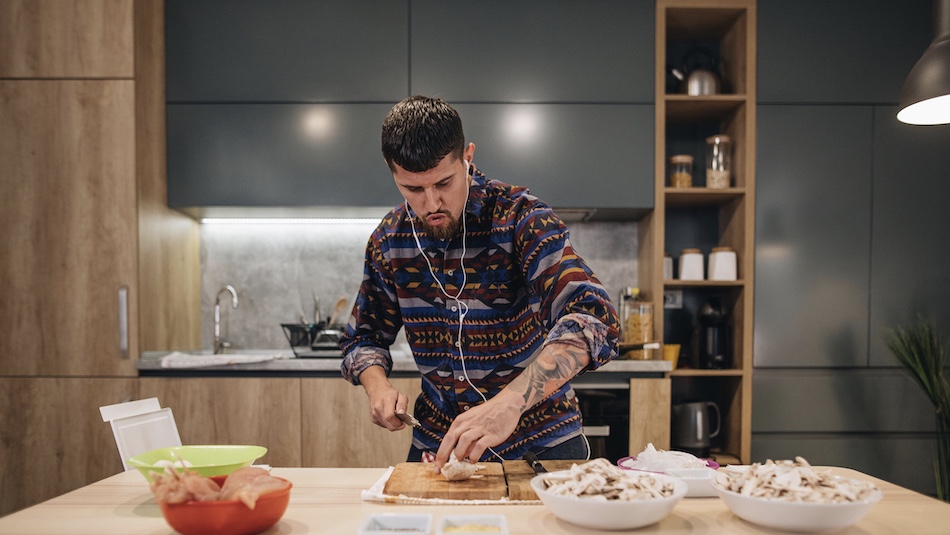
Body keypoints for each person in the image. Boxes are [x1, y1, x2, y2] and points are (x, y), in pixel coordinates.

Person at [340, 95, 620, 473]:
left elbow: (594, 318)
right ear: (393, 173)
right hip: (438, 446)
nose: (431, 203)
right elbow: (364, 338)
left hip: (539, 444)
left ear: (467, 156)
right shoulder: (389, 241)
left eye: (444, 182)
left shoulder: (521, 217)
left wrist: (509, 404)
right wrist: (378, 389)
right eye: (413, 190)